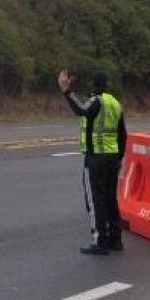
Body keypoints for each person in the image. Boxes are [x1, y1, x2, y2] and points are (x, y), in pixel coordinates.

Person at [59, 68, 127, 255]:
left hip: (96, 158)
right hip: (112, 158)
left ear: (95, 85)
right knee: (110, 199)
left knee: (95, 200)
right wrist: (119, 158)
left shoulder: (97, 101)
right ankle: (115, 240)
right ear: (108, 85)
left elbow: (82, 110)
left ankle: (100, 241)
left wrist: (66, 91)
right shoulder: (115, 103)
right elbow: (123, 135)